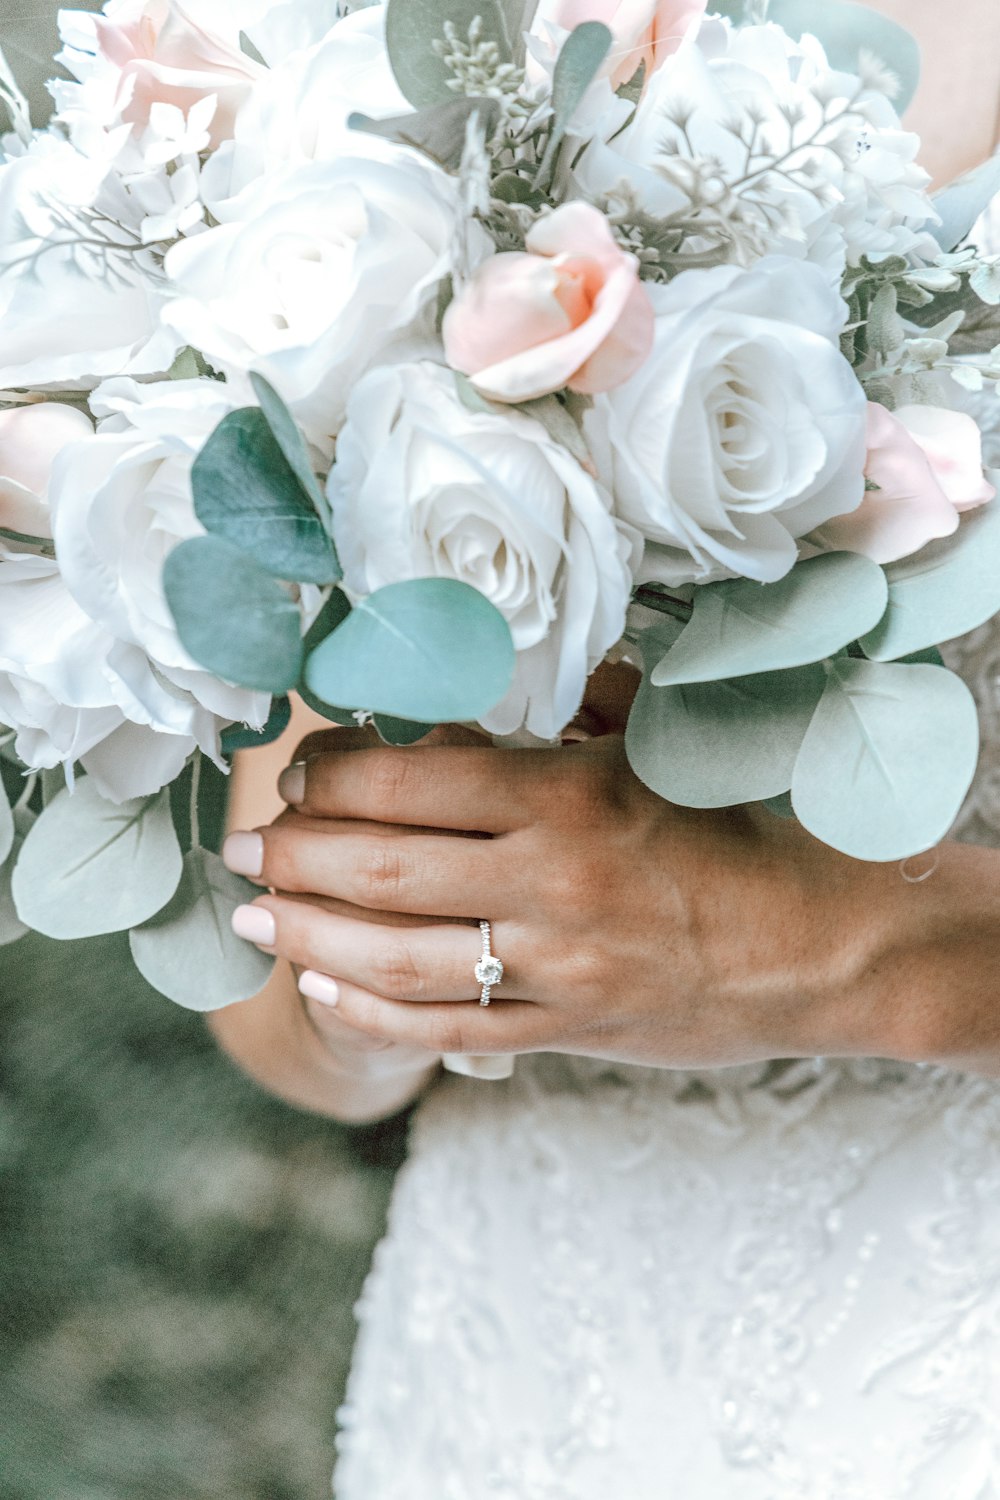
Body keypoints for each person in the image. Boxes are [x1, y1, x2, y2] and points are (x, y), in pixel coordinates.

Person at [212, 4, 1000, 1493]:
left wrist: (829, 942)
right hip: (518, 1368)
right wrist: (382, 948)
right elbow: (273, 1001)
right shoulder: (478, 42)